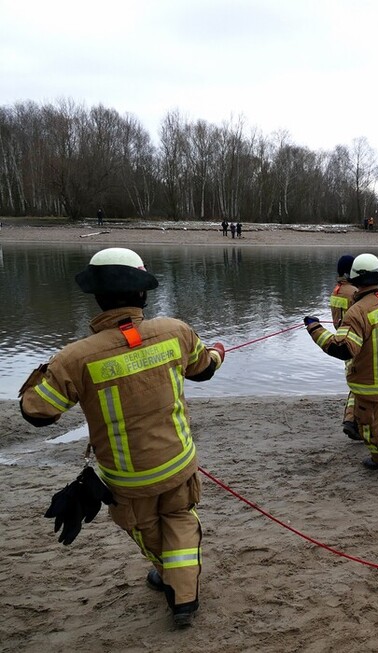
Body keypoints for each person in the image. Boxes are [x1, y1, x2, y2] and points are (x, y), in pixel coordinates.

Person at [18, 247, 225, 628]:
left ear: (95, 296)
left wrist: (51, 370)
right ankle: (184, 594)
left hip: (127, 479)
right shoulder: (175, 331)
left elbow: (36, 412)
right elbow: (204, 369)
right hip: (180, 462)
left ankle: (172, 580)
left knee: (145, 528)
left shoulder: (75, 358)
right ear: (143, 294)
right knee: (180, 516)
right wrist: (217, 352)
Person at [304, 253, 378, 479]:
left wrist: (314, 329)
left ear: (355, 279)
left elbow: (343, 349)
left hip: (370, 385)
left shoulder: (357, 312)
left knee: (370, 426)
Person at [330, 254, 359, 439]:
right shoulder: (354, 292)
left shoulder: (336, 291)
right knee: (360, 384)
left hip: (341, 340)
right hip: (356, 342)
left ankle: (352, 420)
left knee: (355, 382)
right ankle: (351, 420)